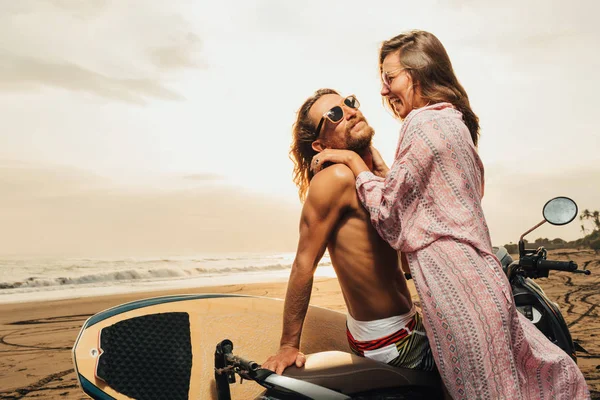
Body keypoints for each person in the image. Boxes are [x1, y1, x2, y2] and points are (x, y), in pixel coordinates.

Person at [311, 30, 590, 400]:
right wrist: (380, 168)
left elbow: (393, 219)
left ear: (418, 73)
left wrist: (351, 161)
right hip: (479, 282)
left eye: (390, 78)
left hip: (456, 291)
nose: (383, 90)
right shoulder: (450, 121)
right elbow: (427, 200)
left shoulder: (421, 125)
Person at [262, 88, 435, 376]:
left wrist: (382, 170)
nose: (350, 111)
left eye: (349, 103)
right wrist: (288, 345)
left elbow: (407, 262)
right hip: (391, 340)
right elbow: (304, 263)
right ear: (320, 146)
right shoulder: (337, 178)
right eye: (334, 115)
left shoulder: (367, 179)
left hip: (398, 327)